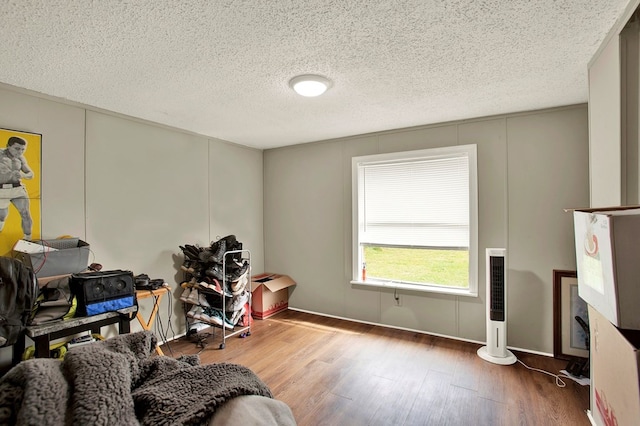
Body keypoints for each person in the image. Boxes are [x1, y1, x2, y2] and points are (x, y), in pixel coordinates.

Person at [0, 136, 34, 240]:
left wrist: (23, 175)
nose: (20, 152)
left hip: (17, 189)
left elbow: (31, 174)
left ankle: (28, 239)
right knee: (2, 215)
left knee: (25, 213)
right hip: (1, 190)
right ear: (8, 146)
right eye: (17, 148)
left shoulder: (21, 158)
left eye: (23, 149)